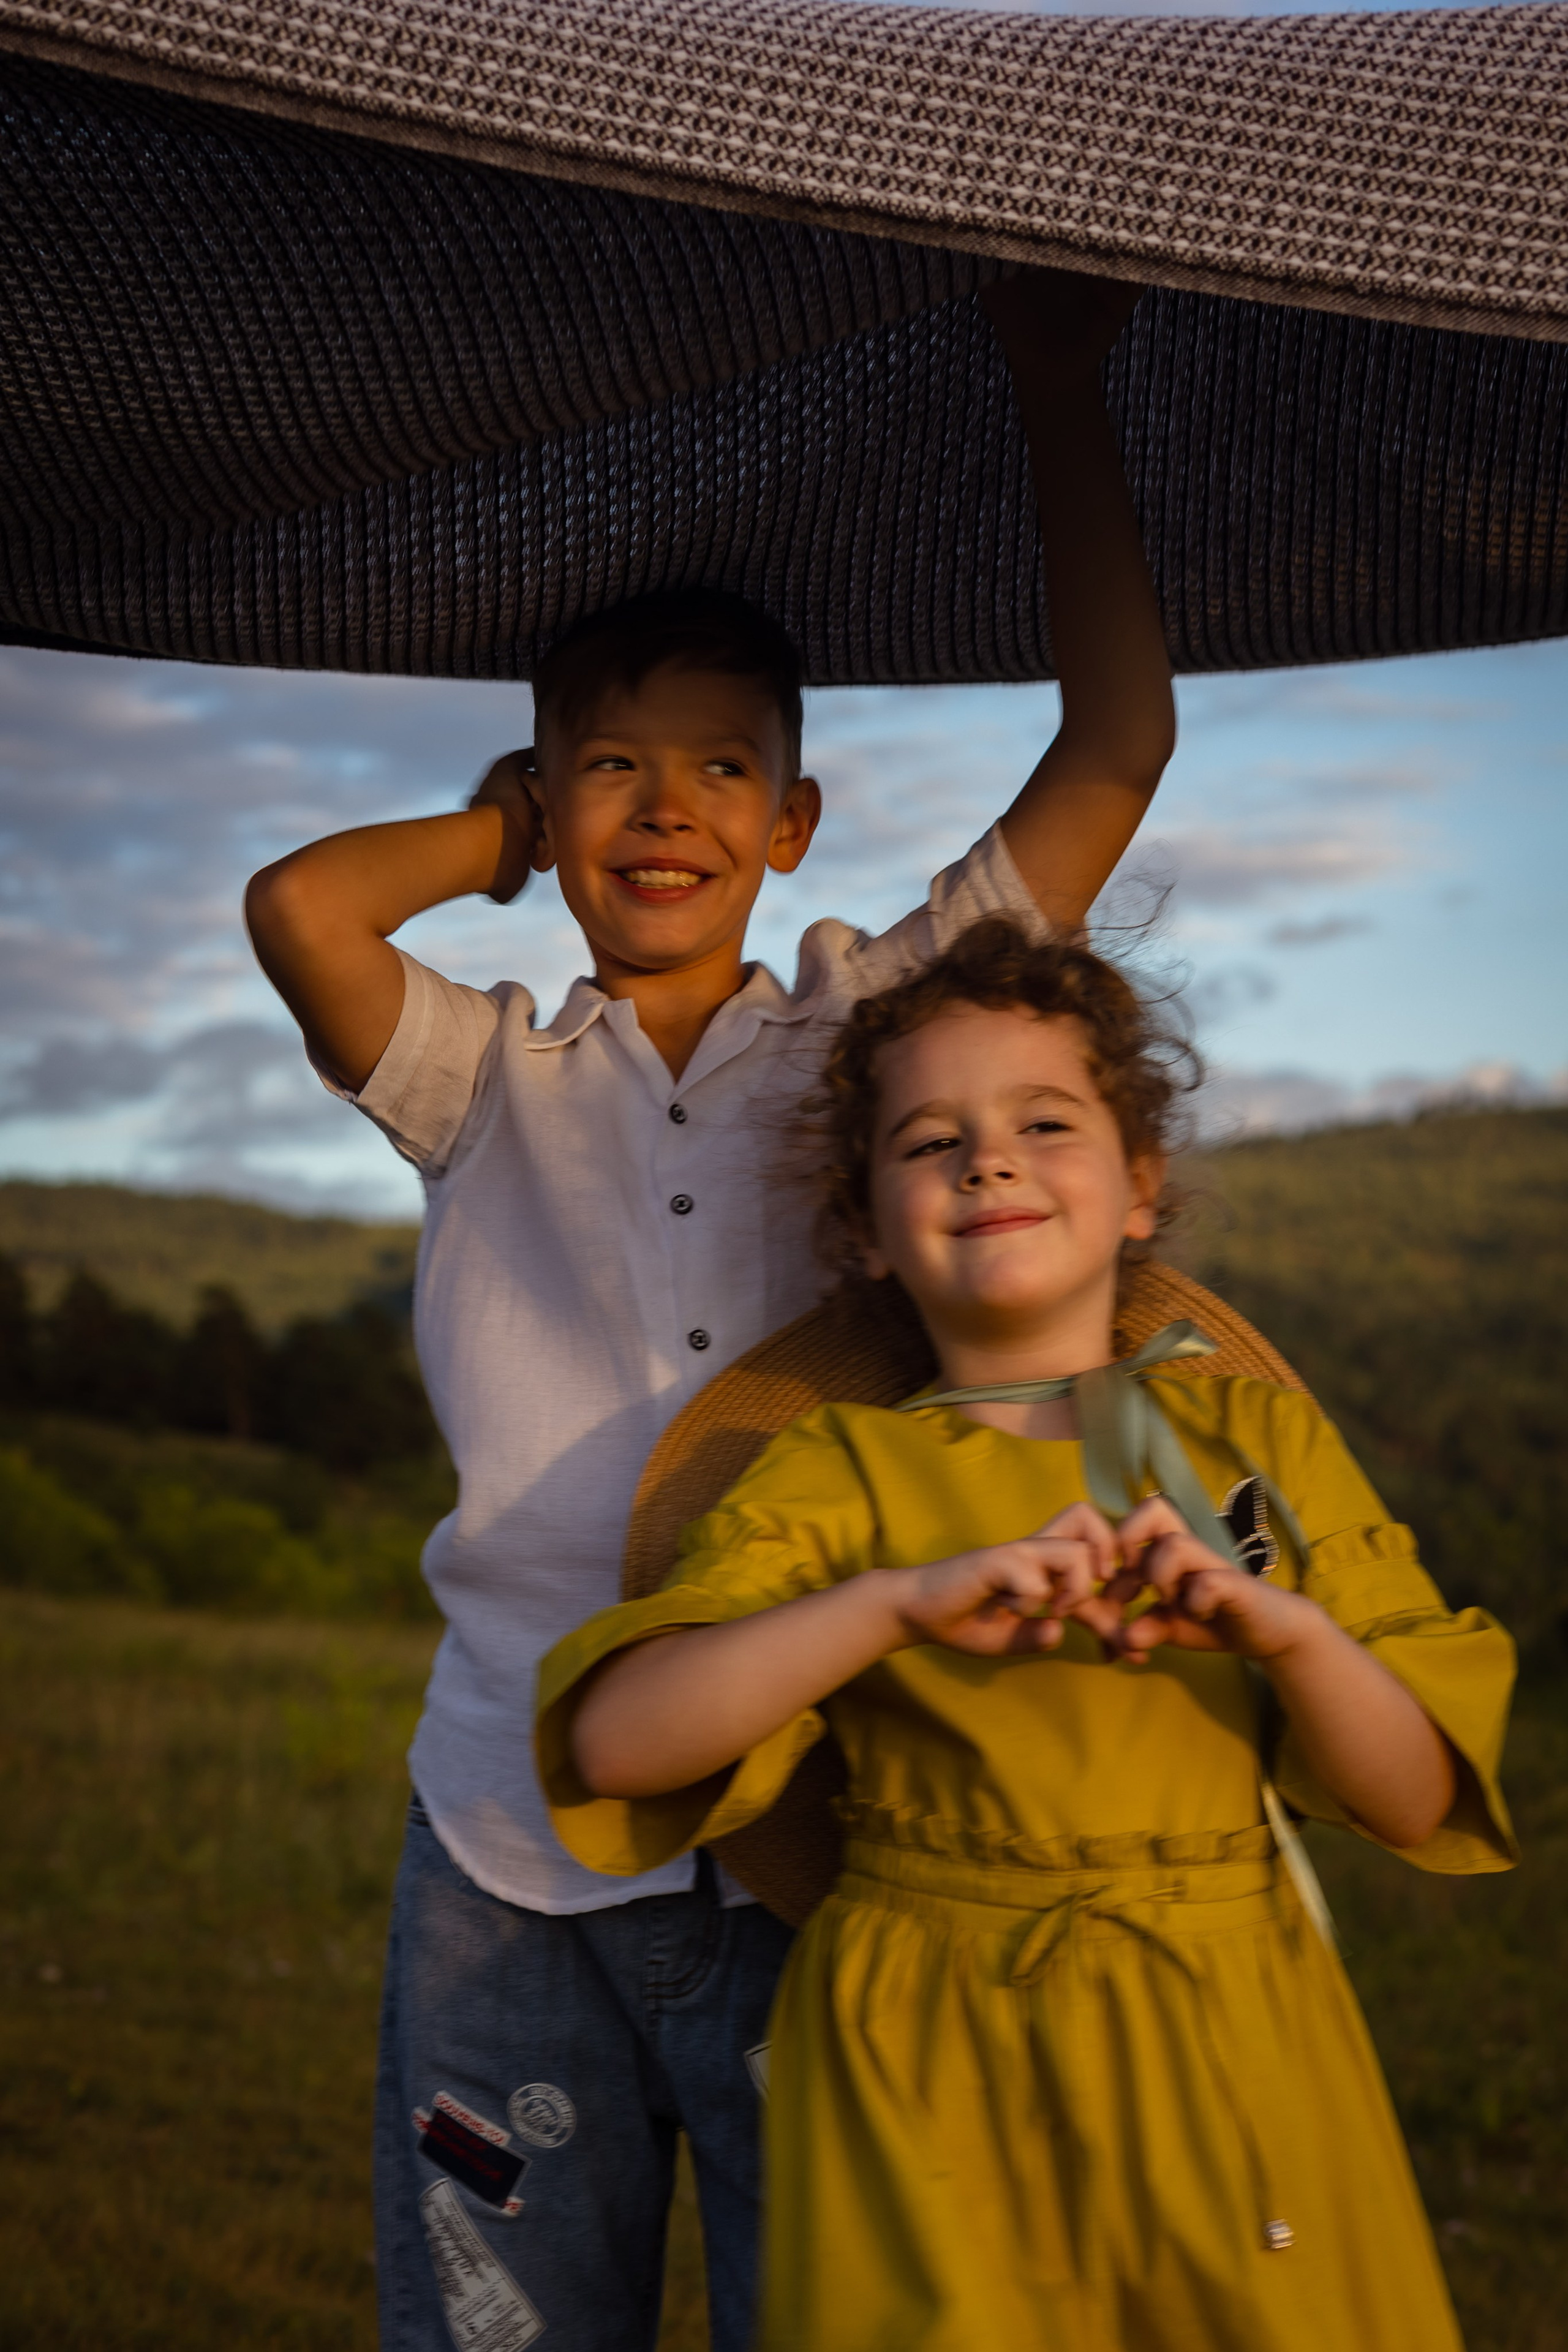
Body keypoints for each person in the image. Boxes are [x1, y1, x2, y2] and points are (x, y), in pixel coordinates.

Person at [244, 268, 1175, 2352]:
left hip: (815, 1815)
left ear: (791, 823)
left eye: (717, 771)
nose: (664, 810)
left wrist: (1059, 395)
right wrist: (506, 819)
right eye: (614, 774)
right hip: (501, 1831)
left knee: (831, 2316)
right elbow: (302, 908)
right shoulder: (482, 1074)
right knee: (499, 2324)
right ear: (552, 811)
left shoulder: (880, 1028)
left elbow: (1119, 743)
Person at [538, 916, 1518, 2352]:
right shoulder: (840, 1474)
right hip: (923, 2045)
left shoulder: (1250, 1443)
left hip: (1225, 2025)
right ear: (866, 1231)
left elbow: (1413, 1790)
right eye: (928, 1141)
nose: (984, 1159)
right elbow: (626, 1741)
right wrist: (891, 1603)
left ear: (1138, 1187)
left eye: (1041, 1122)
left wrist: (1281, 1633)